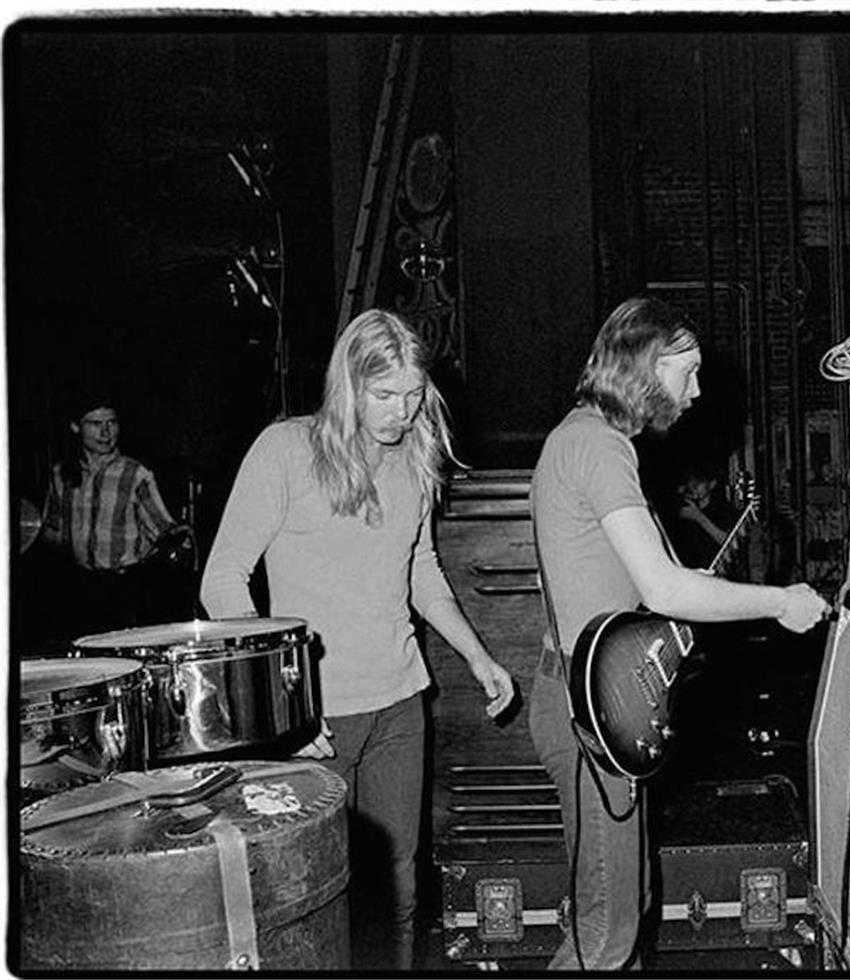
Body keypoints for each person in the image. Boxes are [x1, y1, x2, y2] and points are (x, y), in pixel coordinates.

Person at [199, 308, 514, 970]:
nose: (402, 412)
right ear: (348, 384)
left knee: (397, 888)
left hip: (400, 703)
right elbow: (223, 580)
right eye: (384, 396)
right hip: (316, 721)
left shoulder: (414, 462)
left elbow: (420, 571)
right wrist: (285, 699)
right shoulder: (285, 450)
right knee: (314, 898)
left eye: (412, 394)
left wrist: (477, 654)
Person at [528, 295, 830, 970]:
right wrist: (779, 600)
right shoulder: (598, 447)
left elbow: (636, 591)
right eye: (685, 371)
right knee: (604, 936)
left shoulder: (585, 440)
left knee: (619, 921)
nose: (695, 391)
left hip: (592, 701)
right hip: (589, 713)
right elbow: (666, 589)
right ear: (643, 365)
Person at [40, 395, 184, 636]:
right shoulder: (61, 474)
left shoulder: (136, 474)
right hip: (79, 588)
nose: (106, 432)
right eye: (96, 424)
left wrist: (179, 541)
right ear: (76, 427)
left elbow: (164, 531)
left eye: (112, 423)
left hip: (124, 591)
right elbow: (51, 530)